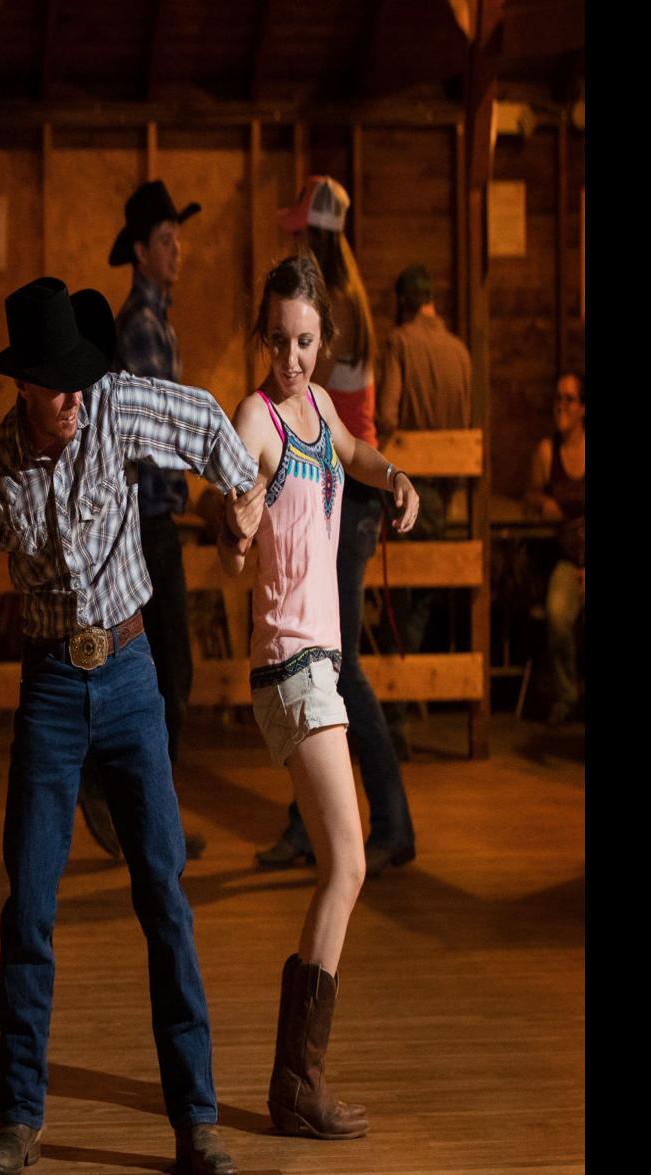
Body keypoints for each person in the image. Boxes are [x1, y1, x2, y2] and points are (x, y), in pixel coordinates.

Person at [0, 277, 263, 1175]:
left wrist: (244, 489)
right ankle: (19, 1116)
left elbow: (201, 421)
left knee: (163, 893)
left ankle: (196, 1116)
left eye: (79, 377)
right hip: (52, 688)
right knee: (29, 899)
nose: (73, 394)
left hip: (133, 675)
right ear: (22, 384)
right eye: (56, 381)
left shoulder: (111, 406)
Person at [221, 253, 419, 1138]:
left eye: (304, 341)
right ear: (262, 337)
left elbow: (350, 451)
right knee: (346, 860)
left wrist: (394, 477)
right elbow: (231, 510)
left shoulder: (318, 408)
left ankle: (293, 1079)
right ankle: (297, 1080)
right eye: (277, 339)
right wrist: (236, 525)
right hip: (292, 664)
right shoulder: (256, 419)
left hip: (318, 663)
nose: (290, 356)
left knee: (344, 861)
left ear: (321, 340)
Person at [259, 176, 416, 879]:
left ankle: (388, 819)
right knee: (326, 658)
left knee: (339, 662)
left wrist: (385, 477)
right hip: (345, 492)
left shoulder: (334, 306)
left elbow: (342, 436)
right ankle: (309, 818)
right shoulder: (342, 301)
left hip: (345, 497)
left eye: (300, 233)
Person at [75, 179, 206, 862]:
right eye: (164, 240)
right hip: (147, 521)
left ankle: (138, 811)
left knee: (155, 674)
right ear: (138, 250)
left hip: (146, 518)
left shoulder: (149, 322)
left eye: (177, 237)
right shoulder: (142, 325)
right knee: (169, 673)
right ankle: (123, 798)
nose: (176, 248)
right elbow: (159, 429)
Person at [375, 263, 473, 757]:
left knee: (398, 605)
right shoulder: (460, 352)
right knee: (420, 606)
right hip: (447, 496)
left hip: (408, 491)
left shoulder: (399, 343)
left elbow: (388, 414)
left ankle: (394, 719)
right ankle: (402, 715)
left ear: (405, 302)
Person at [524, 371, 585, 725]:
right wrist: (541, 500)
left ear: (582, 409)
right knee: (558, 615)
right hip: (566, 558)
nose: (561, 406)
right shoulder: (548, 452)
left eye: (569, 399)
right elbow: (530, 492)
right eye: (557, 398)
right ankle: (567, 695)